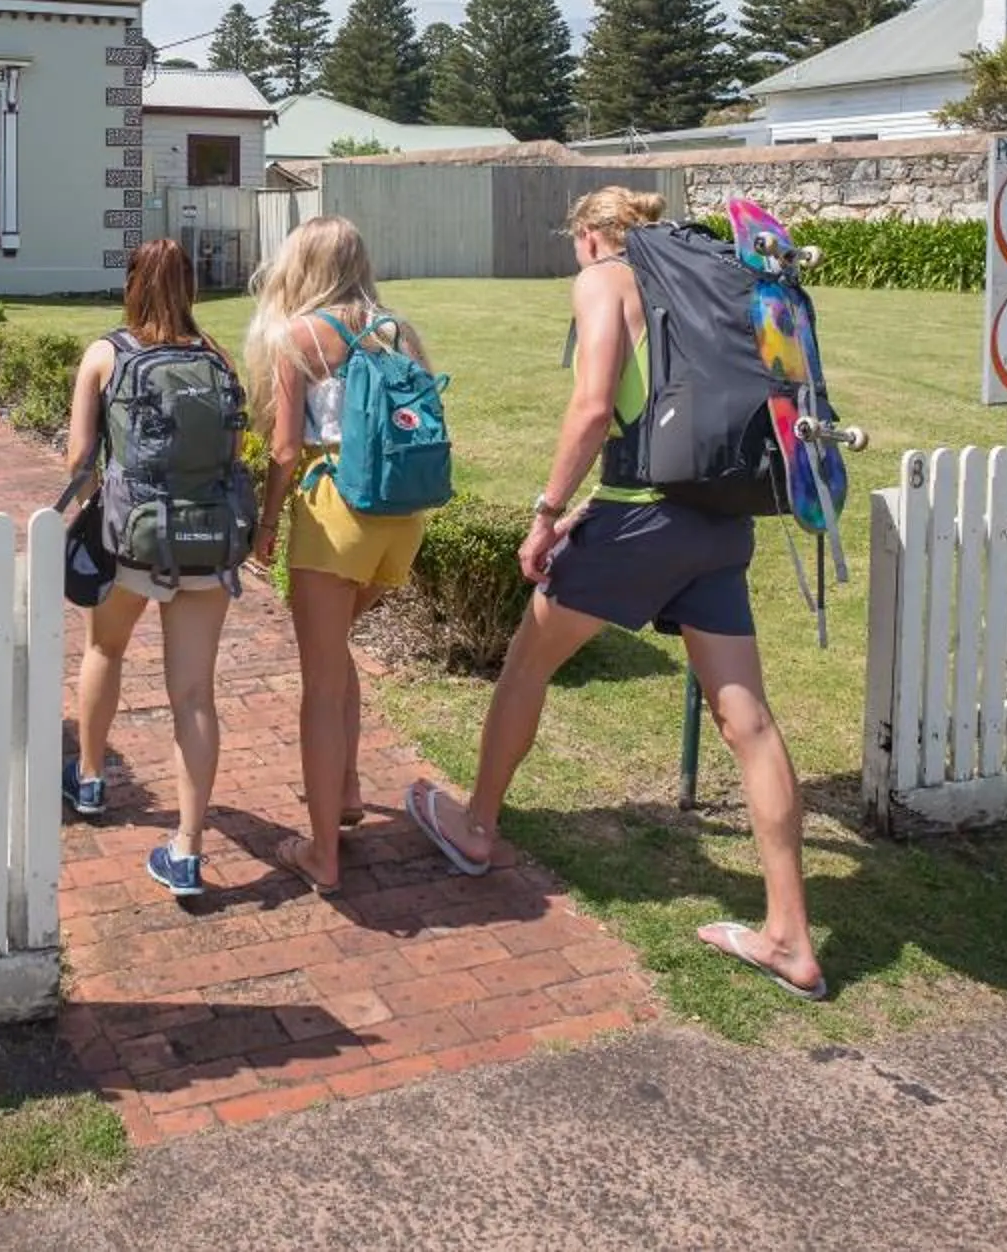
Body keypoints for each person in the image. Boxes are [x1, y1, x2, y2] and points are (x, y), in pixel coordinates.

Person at [408, 187, 827, 1001]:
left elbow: (596, 405)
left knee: (527, 663)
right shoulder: (715, 277)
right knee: (750, 721)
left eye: (577, 246)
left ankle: (475, 826)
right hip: (719, 517)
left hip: (641, 521)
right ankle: (790, 937)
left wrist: (547, 513)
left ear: (594, 237)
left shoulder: (608, 279)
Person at [247, 214, 430, 896]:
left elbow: (287, 450)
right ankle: (347, 791)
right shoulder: (397, 329)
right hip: (400, 519)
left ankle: (321, 853)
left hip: (336, 514)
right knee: (337, 652)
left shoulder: (301, 337)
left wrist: (267, 523)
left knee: (318, 683)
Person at [59, 237, 240, 899]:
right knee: (195, 696)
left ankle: (91, 778)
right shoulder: (217, 356)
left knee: (104, 648)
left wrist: (72, 515)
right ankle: (187, 850)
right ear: (191, 288)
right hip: (207, 541)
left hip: (133, 540)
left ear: (131, 286)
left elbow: (81, 463)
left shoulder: (106, 354)